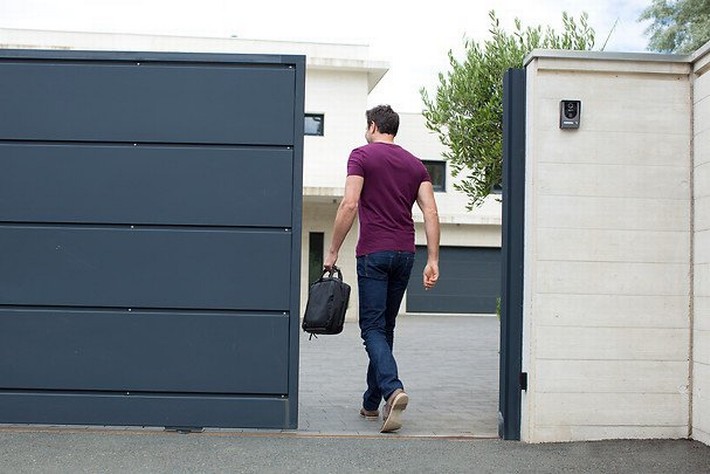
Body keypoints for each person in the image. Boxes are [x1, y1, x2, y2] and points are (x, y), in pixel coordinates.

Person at [323, 105, 440, 433]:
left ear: (373, 126)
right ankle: (371, 402)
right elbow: (430, 211)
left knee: (371, 329)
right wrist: (433, 260)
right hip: (405, 253)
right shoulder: (416, 165)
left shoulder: (361, 156)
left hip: (374, 253)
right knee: (384, 329)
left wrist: (332, 250)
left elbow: (349, 204)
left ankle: (392, 389)